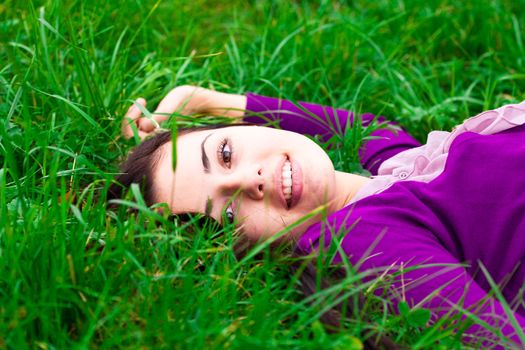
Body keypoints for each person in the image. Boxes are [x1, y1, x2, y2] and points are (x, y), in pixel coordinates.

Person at [110, 85, 525, 348]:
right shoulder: (360, 240)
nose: (248, 180)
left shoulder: (390, 168)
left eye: (223, 154)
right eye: (229, 211)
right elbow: (499, 336)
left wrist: (208, 102)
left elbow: (366, 129)